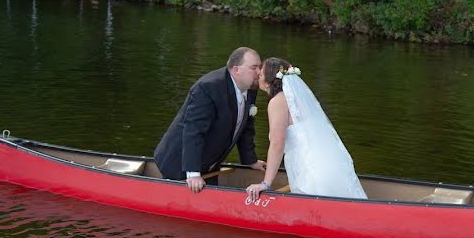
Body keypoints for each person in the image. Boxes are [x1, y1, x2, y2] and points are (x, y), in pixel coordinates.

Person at [246, 58, 367, 202]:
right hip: (326, 160)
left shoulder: (277, 101)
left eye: (261, 74)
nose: (258, 74)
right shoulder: (297, 100)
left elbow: (277, 144)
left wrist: (265, 184)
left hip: (308, 166)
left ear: (268, 80)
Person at [154, 47, 266, 193]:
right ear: (236, 69)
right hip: (180, 164)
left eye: (260, 67)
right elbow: (193, 131)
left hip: (211, 163)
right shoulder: (208, 88)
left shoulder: (250, 87)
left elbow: (246, 128)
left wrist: (250, 160)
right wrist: (193, 173)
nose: (259, 72)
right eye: (254, 68)